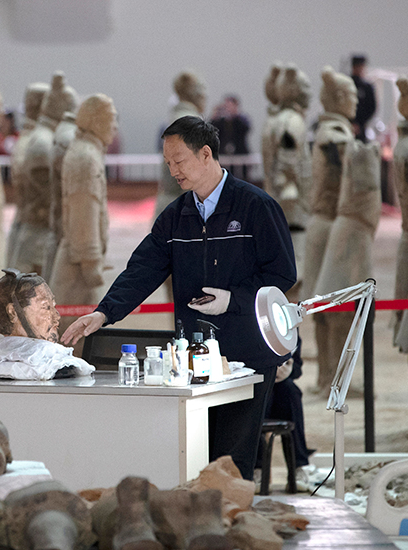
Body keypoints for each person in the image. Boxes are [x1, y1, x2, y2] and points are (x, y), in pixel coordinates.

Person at [62, 116, 296, 480]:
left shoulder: (256, 207)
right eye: (168, 163)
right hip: (194, 358)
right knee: (196, 459)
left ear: (205, 154)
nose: (173, 171)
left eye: (179, 160)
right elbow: (142, 270)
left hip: (248, 356)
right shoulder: (175, 217)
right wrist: (104, 313)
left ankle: (231, 514)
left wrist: (233, 300)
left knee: (231, 464)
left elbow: (282, 274)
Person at [254, 336, 313, 490]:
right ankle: (256, 468)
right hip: (255, 382)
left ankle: (298, 467)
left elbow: (298, 367)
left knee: (291, 391)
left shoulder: (291, 330)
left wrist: (288, 370)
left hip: (281, 389)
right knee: (261, 395)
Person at [209, 94, 251, 180]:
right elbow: (210, 130)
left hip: (240, 153)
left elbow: (246, 128)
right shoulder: (220, 122)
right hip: (223, 154)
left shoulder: (241, 119)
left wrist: (235, 115)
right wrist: (215, 116)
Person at [350, 54, 377, 142]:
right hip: (347, 124)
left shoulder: (367, 87)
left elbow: (371, 107)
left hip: (362, 127)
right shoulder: (346, 84)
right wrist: (351, 122)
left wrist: (360, 123)